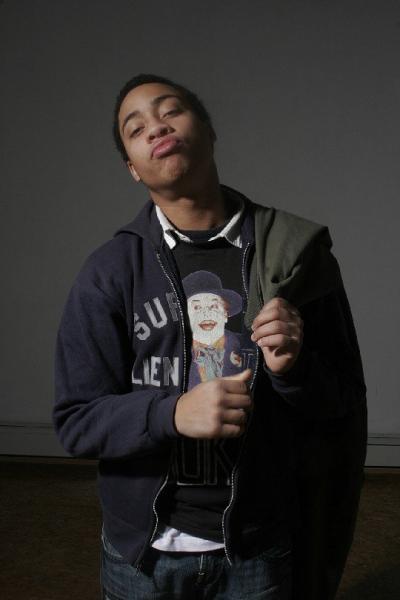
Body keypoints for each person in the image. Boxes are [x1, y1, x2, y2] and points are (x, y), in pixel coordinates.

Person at [53, 73, 367, 599]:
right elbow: (76, 421)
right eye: (136, 129)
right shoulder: (109, 272)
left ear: (207, 128)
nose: (156, 127)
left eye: (170, 111)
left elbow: (343, 403)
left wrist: (293, 370)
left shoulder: (293, 255)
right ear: (132, 167)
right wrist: (172, 413)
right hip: (143, 556)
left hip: (258, 545)